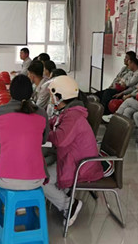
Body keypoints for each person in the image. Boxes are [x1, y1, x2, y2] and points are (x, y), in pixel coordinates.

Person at [43, 76, 113, 227]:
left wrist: (43, 133)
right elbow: (53, 123)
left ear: (60, 96)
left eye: (52, 96)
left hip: (80, 166)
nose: (51, 99)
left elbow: (59, 139)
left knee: (42, 179)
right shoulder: (68, 112)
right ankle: (63, 194)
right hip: (73, 159)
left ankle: (69, 205)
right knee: (42, 164)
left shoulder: (73, 116)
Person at [0, 75, 49, 190]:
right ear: (31, 93)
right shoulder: (41, 113)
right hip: (35, 179)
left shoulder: (0, 111)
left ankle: (10, 201)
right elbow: (43, 140)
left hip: (4, 179)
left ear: (10, 92)